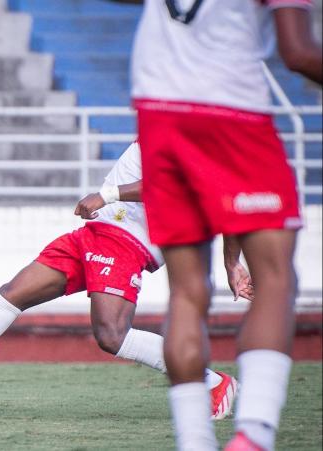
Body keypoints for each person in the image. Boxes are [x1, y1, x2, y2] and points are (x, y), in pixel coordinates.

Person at [0, 143, 245, 420]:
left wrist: (106, 193)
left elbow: (179, 191)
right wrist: (232, 265)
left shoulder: (196, 140)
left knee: (111, 336)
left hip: (127, 240)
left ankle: (210, 382)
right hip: (95, 233)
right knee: (11, 296)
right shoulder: (179, 126)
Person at [124, 0, 322, 449]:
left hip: (157, 114)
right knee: (275, 279)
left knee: (187, 292)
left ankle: (195, 442)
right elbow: (298, 51)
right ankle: (253, 436)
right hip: (232, 111)